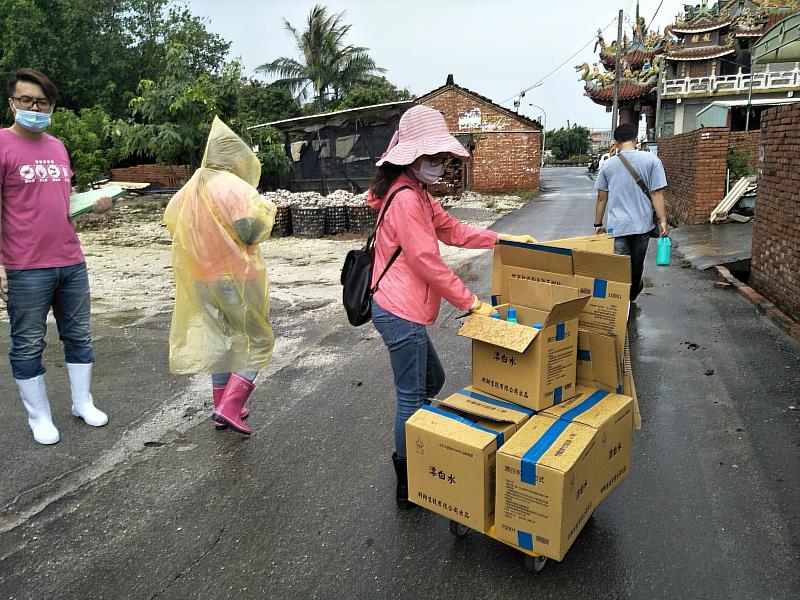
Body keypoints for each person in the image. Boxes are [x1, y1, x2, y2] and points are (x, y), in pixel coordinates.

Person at [367, 105, 536, 509]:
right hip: (397, 311)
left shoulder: (417, 194)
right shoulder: (406, 199)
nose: (441, 165)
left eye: (443, 158)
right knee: (411, 395)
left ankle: (420, 447)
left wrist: (505, 241)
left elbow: (455, 231)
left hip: (405, 310)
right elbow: (427, 262)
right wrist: (472, 303)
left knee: (432, 381)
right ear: (411, 157)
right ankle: (408, 481)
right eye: (435, 158)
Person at [1, 68, 112, 445]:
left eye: (42, 102)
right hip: (24, 266)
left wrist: (92, 206)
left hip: (70, 260)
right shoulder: (2, 144)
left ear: (52, 106)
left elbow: (63, 200)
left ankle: (83, 402)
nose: (35, 107)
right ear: (11, 103)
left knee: (79, 336)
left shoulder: (57, 146)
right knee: (29, 342)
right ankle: (40, 416)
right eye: (27, 100)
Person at [164, 117, 276, 435]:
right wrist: (268, 215)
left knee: (220, 344)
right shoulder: (235, 188)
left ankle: (221, 407)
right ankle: (230, 406)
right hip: (237, 278)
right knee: (258, 340)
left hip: (203, 279)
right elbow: (248, 233)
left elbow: (173, 221)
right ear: (235, 159)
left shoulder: (194, 186)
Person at [594, 123, 669, 302]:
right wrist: (663, 220)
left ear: (616, 141)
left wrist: (598, 224)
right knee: (636, 267)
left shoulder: (607, 165)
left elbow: (601, 198)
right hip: (642, 225)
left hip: (617, 227)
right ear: (636, 139)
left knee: (619, 268)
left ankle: (621, 303)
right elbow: (656, 192)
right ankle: (632, 294)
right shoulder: (651, 161)